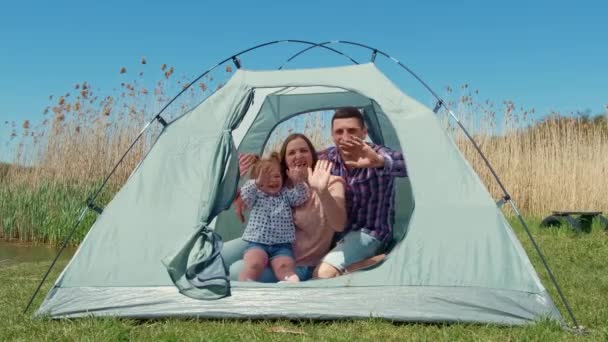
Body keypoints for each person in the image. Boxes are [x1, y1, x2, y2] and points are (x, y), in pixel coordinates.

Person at [222, 133, 347, 282]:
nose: (298, 156)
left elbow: (339, 224)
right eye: (291, 153)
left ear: (313, 155)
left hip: (294, 259)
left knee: (237, 270)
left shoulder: (331, 183)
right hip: (260, 239)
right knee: (214, 255)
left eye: (304, 151)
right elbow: (248, 192)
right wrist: (241, 172)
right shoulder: (281, 183)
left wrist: (322, 191)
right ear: (285, 162)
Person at [314, 107, 408, 279]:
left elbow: (409, 164)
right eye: (339, 132)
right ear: (332, 135)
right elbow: (295, 161)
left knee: (323, 274)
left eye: (352, 131)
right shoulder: (327, 158)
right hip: (336, 233)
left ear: (364, 132)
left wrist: (379, 162)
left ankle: (377, 260)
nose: (345, 137)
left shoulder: (376, 153)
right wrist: (255, 164)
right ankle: (368, 265)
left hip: (371, 233)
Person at [238, 153, 309, 283]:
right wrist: (257, 183)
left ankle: (290, 281)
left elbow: (301, 197)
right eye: (267, 178)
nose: (273, 180)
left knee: (284, 267)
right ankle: (246, 283)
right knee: (254, 264)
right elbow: (245, 194)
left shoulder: (285, 195)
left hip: (282, 246)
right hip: (257, 243)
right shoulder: (256, 195)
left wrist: (298, 182)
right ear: (258, 181)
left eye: (277, 176)